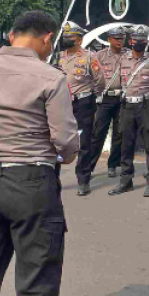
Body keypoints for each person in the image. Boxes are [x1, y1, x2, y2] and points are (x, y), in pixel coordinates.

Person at [0, 10, 79, 296]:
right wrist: (68, 153)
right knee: (37, 281)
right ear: (48, 39)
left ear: (12, 36)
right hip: (30, 181)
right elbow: (65, 141)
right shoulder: (50, 77)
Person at [108, 25, 149, 197]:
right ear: (131, 41)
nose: (139, 43)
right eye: (136, 40)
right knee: (126, 144)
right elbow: (116, 80)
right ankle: (126, 181)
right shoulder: (122, 59)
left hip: (145, 106)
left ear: (147, 42)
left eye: (143, 40)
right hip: (127, 107)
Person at [57, 21, 105, 196]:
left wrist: (93, 95)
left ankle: (83, 180)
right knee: (58, 140)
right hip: (62, 104)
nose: (66, 39)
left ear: (79, 39)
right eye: (65, 36)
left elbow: (100, 80)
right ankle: (54, 179)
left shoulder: (89, 57)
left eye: (70, 36)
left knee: (84, 143)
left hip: (83, 104)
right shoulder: (59, 57)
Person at [90, 27, 128, 178]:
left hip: (122, 98)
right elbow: (92, 75)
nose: (120, 41)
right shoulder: (100, 56)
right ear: (109, 39)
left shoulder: (129, 55)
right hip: (105, 99)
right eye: (116, 38)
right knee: (98, 132)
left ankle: (112, 165)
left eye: (122, 38)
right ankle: (90, 166)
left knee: (119, 133)